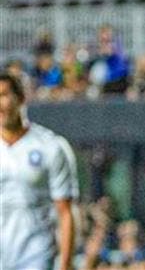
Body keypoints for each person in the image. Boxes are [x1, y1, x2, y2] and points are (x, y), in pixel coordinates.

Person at [0, 72, 78, 270]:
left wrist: (65, 264)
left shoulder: (51, 147)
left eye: (3, 95)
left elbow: (65, 212)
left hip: (36, 256)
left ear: (21, 98)